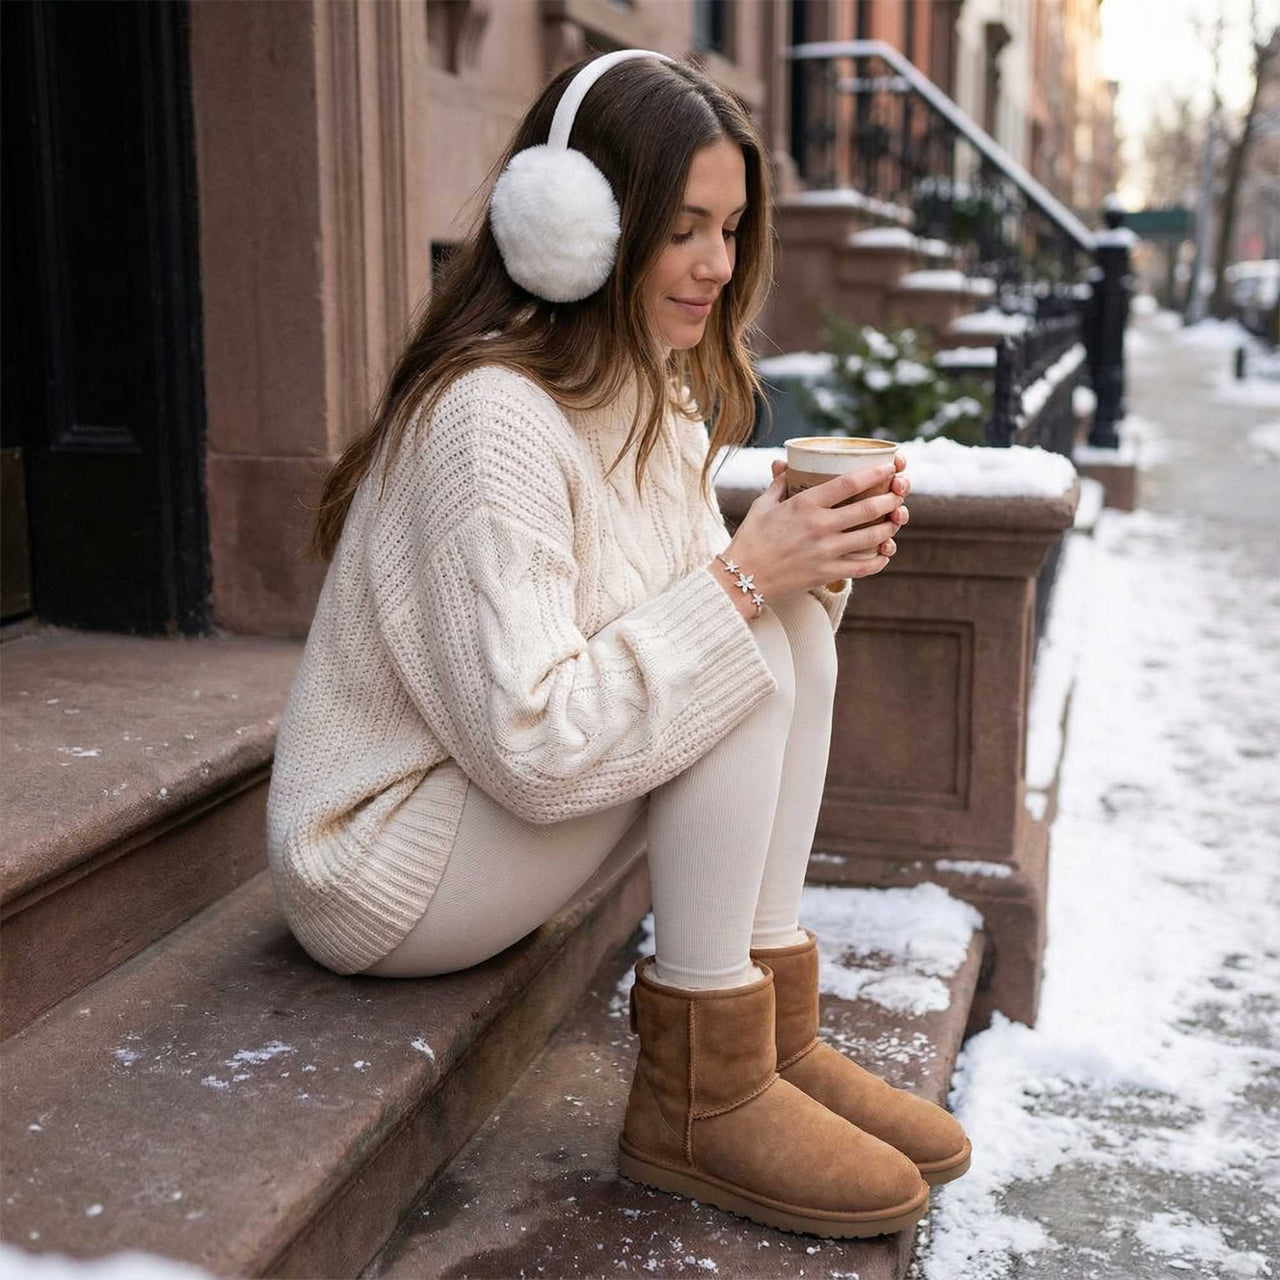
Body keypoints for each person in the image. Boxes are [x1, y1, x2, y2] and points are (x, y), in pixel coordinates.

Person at [265, 49, 968, 1241]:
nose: (715, 264)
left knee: (774, 622)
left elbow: (708, 623)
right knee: (735, 646)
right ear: (576, 223)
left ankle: (765, 1036)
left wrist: (806, 568)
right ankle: (701, 1087)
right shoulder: (488, 417)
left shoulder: (648, 384)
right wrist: (751, 574)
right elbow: (536, 739)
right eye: (681, 226)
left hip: (494, 802)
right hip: (384, 860)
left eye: (733, 227)